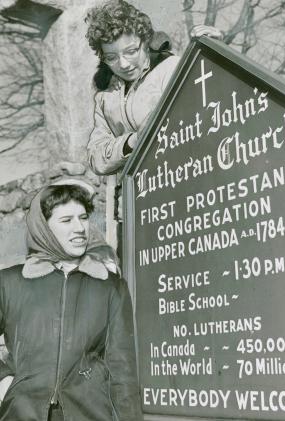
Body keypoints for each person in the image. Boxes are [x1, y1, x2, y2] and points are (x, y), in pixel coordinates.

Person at [0, 179, 142, 421]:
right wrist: (4, 377)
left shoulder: (109, 286)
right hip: (21, 413)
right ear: (44, 227)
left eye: (83, 217)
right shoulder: (10, 282)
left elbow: (122, 371)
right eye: (66, 220)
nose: (79, 228)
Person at [85, 1, 222, 248]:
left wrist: (215, 55)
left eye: (131, 51)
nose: (124, 64)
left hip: (184, 197)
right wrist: (133, 142)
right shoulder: (105, 97)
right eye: (112, 57)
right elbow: (97, 157)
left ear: (145, 40)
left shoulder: (173, 69)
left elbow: (213, 104)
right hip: (134, 207)